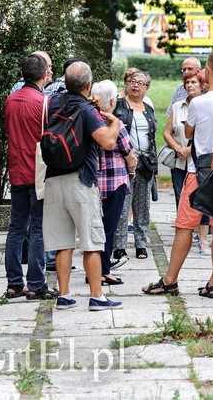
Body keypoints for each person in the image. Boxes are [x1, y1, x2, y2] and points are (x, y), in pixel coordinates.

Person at [142, 51, 213, 299]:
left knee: (184, 225)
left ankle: (170, 279)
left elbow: (189, 131)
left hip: (199, 172)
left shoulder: (198, 103)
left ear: (207, 69)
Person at [43, 61, 123, 311]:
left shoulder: (51, 103)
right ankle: (97, 296)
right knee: (91, 242)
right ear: (88, 85)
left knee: (63, 243)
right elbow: (108, 142)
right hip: (82, 181)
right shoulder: (88, 110)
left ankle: (64, 295)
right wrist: (116, 123)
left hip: (53, 181)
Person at [3, 53, 58, 300]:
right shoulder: (44, 102)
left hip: (16, 169)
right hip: (38, 171)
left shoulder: (11, 100)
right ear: (45, 73)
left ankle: (14, 283)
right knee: (38, 228)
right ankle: (36, 283)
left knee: (16, 227)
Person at [91, 80, 136, 285]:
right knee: (108, 228)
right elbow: (129, 152)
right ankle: (103, 271)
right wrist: (132, 170)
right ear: (111, 101)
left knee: (94, 228)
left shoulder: (89, 120)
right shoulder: (115, 123)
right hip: (115, 181)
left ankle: (93, 269)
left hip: (92, 182)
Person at [113, 70, 157, 260]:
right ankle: (120, 245)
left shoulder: (148, 108)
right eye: (132, 81)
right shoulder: (119, 106)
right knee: (123, 206)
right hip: (124, 163)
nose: (135, 85)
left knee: (142, 206)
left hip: (146, 164)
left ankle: (141, 244)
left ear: (147, 88)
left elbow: (152, 138)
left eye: (140, 83)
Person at [163, 70, 202, 212]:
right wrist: (178, 148)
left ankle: (201, 229)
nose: (190, 85)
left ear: (202, 85)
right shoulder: (177, 106)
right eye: (187, 82)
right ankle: (182, 227)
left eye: (194, 82)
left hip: (199, 160)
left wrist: (190, 150)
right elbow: (167, 132)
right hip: (179, 159)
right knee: (180, 194)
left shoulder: (206, 106)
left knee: (198, 195)